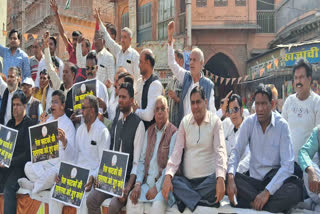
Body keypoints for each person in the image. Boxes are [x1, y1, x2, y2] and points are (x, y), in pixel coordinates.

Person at [227, 83, 303, 213]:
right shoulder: (249, 123)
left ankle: (251, 203)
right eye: (257, 104)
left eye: (263, 104)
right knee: (228, 176)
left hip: (274, 184)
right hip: (253, 182)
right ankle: (266, 205)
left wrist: (267, 192)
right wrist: (230, 177)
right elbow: (236, 151)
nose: (260, 109)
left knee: (296, 190)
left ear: (272, 105)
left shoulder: (282, 126)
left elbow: (288, 165)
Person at [162, 86, 227, 213]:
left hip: (208, 181)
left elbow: (221, 151)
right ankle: (202, 201)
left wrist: (220, 178)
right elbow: (176, 153)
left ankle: (188, 199)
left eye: (198, 102)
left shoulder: (215, 122)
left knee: (221, 179)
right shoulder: (185, 122)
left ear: (206, 102)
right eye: (192, 103)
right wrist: (168, 175)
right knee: (173, 181)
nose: (195, 106)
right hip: (188, 182)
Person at [86, 83, 145, 214]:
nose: (121, 100)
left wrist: (128, 187)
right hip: (112, 179)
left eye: (124, 97)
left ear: (131, 100)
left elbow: (137, 162)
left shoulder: (138, 124)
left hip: (127, 182)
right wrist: (101, 178)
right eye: (119, 97)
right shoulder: (117, 124)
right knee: (91, 200)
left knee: (113, 206)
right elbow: (111, 155)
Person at [49, 95, 111, 214]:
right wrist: (65, 143)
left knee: (82, 201)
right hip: (75, 176)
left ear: (92, 110)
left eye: (83, 108)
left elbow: (104, 164)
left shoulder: (103, 132)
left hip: (90, 179)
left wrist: (92, 177)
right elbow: (73, 158)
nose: (81, 112)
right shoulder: (80, 130)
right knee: (53, 194)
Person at [18, 90, 75, 194]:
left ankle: (34, 187)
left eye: (55, 102)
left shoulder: (68, 124)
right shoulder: (48, 121)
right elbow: (37, 149)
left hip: (58, 165)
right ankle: (44, 184)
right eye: (51, 102)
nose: (52, 105)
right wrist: (41, 125)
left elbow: (71, 156)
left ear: (63, 105)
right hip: (44, 163)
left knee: (53, 174)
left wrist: (64, 141)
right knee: (28, 166)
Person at [127, 96, 177, 214]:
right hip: (147, 183)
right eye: (157, 109)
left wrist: (156, 187)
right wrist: (138, 183)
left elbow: (171, 165)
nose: (160, 112)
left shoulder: (174, 132)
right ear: (154, 113)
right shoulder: (148, 131)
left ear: (167, 111)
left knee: (157, 206)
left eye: (162, 109)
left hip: (164, 185)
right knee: (132, 200)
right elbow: (141, 161)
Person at [167, 21, 216, 126]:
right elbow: (171, 63)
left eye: (194, 60)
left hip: (200, 132)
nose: (191, 63)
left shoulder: (208, 85)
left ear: (201, 63)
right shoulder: (186, 77)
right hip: (184, 130)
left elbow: (212, 112)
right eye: (190, 60)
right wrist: (170, 40)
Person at [0, 90, 35, 214]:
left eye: (18, 105)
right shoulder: (9, 123)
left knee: (9, 189)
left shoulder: (30, 124)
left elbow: (28, 154)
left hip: (21, 168)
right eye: (13, 105)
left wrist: (9, 162)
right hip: (6, 165)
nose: (15, 108)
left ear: (25, 106)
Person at [282, 59, 320, 164]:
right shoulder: (289, 101)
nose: (298, 81)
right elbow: (281, 132)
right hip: (289, 163)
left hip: (310, 165)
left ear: (309, 79)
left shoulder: (317, 102)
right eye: (296, 78)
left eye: (301, 77)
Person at [95, 9, 140, 86]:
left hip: (129, 90)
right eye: (121, 37)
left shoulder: (135, 55)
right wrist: (99, 21)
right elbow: (107, 38)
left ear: (130, 39)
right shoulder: (118, 51)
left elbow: (138, 76)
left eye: (125, 37)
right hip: (117, 90)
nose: (122, 40)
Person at [132, 49, 163, 130]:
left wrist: (136, 110)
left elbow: (149, 115)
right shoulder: (139, 82)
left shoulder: (155, 85)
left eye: (141, 62)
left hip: (150, 133)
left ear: (148, 63)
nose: (139, 65)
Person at [222, 94, 249, 173]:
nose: (233, 114)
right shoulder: (227, 124)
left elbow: (249, 158)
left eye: (236, 109)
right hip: (225, 171)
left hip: (241, 173)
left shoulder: (249, 128)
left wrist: (233, 172)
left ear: (241, 110)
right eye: (230, 110)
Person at [50, 0, 81, 64]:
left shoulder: (85, 54)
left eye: (77, 39)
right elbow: (62, 33)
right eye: (74, 39)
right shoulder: (71, 50)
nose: (75, 42)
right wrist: (56, 13)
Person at [298, 125, 320, 212]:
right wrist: (311, 171)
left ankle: (313, 205)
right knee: (309, 166)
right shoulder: (318, 131)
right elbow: (304, 152)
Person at [165, 49, 183, 128]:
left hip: (180, 125)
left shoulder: (185, 79)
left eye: (174, 60)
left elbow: (188, 103)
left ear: (181, 61)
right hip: (170, 126)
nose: (172, 64)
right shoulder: (171, 81)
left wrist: (177, 98)